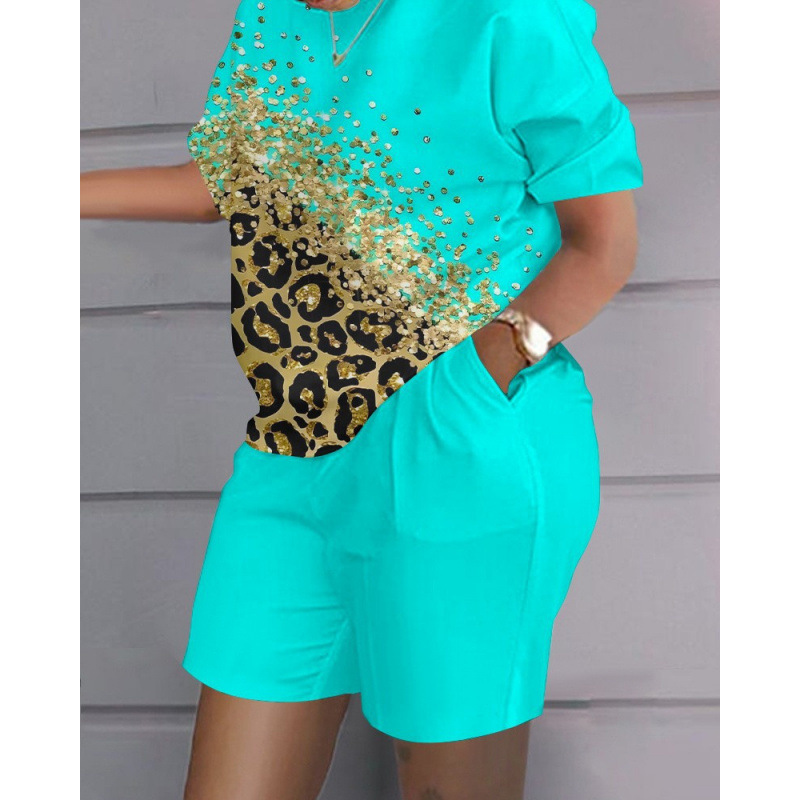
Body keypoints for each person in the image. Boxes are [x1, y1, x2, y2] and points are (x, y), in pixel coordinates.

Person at [81, 0, 643, 797]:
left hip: (455, 444)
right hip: (288, 452)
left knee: (450, 785)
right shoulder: (269, 15)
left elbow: (604, 241)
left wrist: (479, 375)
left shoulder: (509, 17)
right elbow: (225, 180)